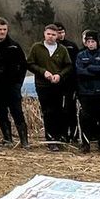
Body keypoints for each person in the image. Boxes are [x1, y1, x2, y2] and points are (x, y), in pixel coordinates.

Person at [27, 22, 73, 150]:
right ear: (44, 34)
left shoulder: (62, 49)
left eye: (53, 34)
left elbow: (68, 66)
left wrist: (60, 75)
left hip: (58, 85)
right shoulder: (37, 48)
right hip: (42, 85)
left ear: (57, 35)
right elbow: (30, 64)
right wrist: (43, 72)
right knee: (47, 111)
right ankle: (50, 138)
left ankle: (59, 137)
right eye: (48, 34)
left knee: (59, 111)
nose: (51, 37)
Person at [0, 18, 29, 148]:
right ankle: (7, 138)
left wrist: (19, 83)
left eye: (4, 29)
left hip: (12, 86)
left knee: (17, 112)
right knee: (1, 112)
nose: (2, 32)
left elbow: (23, 65)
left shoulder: (14, 46)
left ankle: (24, 141)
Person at [74, 32, 100, 151]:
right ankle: (86, 144)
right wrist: (95, 71)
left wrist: (90, 68)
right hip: (85, 92)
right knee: (85, 118)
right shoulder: (81, 55)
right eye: (88, 42)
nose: (91, 44)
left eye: (93, 42)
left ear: (97, 42)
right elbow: (80, 71)